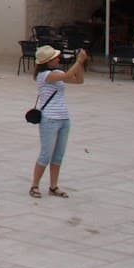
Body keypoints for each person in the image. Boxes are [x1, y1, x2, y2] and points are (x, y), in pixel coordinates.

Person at [30, 44, 87, 198]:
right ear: (47, 61)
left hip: (63, 118)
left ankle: (53, 186)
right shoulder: (45, 75)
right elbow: (67, 76)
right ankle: (35, 185)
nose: (58, 59)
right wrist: (78, 61)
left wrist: (80, 63)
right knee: (45, 154)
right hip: (50, 119)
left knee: (58, 155)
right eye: (55, 57)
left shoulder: (58, 72)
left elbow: (79, 80)